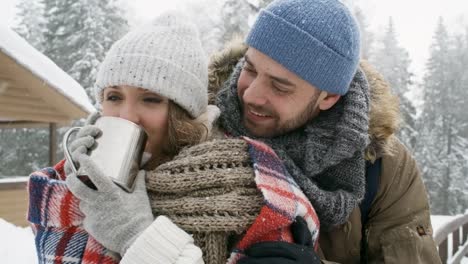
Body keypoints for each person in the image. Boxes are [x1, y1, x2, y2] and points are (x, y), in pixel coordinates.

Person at [203, 0, 442, 263]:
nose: (251, 95)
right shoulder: (194, 126)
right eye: (249, 69)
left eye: (280, 87)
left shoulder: (385, 168)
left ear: (328, 98)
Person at [27, 12, 218, 264]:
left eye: (150, 99)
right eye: (114, 97)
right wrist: (84, 173)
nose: (127, 117)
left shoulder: (227, 192)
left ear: (182, 117)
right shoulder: (65, 188)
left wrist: (135, 234)